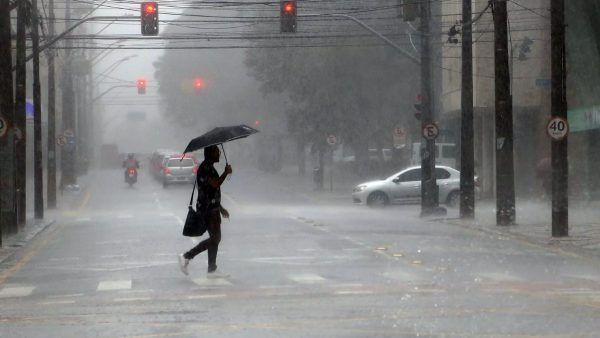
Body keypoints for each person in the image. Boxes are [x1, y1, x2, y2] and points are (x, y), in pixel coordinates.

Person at [178, 145, 232, 278]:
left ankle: (212, 269)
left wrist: (220, 208)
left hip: (212, 208)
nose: (219, 153)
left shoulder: (209, 167)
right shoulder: (205, 168)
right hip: (207, 210)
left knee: (215, 238)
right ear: (210, 154)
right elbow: (215, 184)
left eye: (219, 151)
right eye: (216, 152)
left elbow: (211, 192)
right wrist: (226, 173)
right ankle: (186, 256)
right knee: (215, 238)